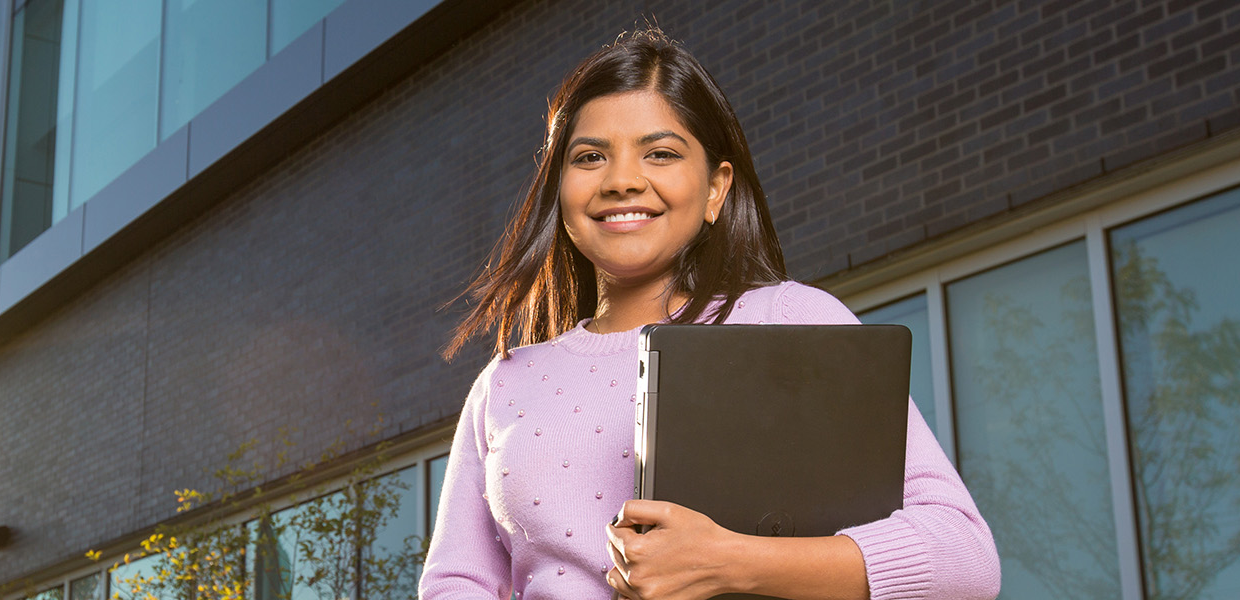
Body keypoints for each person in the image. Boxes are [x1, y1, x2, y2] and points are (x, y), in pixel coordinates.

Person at [418, 27, 1001, 600]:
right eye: (590, 156)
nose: (622, 181)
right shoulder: (507, 382)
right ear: (561, 189)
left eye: (661, 153)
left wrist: (729, 563)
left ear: (717, 189)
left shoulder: (791, 319)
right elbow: (455, 584)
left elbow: (964, 557)